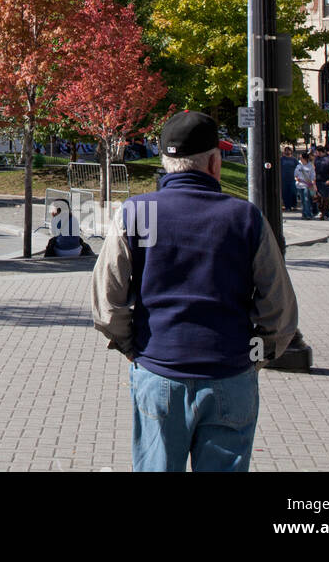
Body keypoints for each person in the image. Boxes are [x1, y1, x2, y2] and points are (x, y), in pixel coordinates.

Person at [92, 110, 298, 473]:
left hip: (159, 371)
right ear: (215, 162)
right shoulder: (244, 218)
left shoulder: (139, 213)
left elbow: (107, 298)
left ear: (166, 162)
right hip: (229, 373)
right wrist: (256, 356)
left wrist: (134, 348)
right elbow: (278, 309)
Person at [294, 151, 317, 220]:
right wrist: (297, 178)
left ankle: (308, 214)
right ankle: (304, 213)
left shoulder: (310, 166)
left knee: (307, 199)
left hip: (307, 185)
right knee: (303, 200)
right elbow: (295, 175)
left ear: (305, 158)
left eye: (301, 158)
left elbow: (313, 176)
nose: (300, 159)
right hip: (299, 185)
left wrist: (313, 184)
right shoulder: (298, 166)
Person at [279, 146, 298, 212]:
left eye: (288, 150)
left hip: (293, 179)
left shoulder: (294, 160)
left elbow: (298, 168)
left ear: (291, 151)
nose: (287, 152)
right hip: (283, 179)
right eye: (286, 150)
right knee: (285, 193)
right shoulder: (281, 159)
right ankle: (287, 206)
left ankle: (294, 205)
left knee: (293, 192)